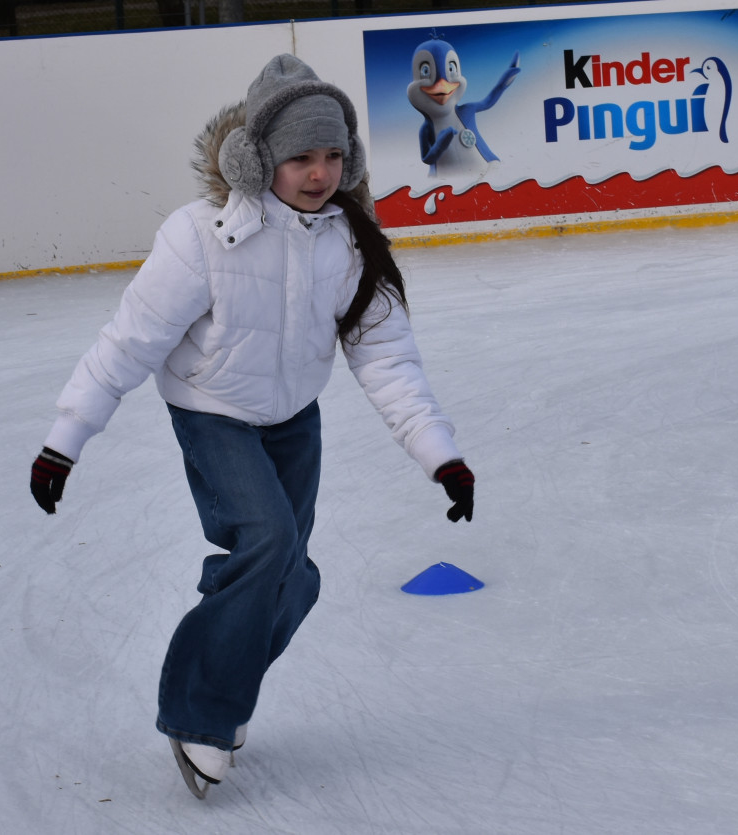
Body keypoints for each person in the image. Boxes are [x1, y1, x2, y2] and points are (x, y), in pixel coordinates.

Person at [30, 54, 476, 799]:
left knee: (294, 578)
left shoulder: (351, 242)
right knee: (265, 541)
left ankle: (224, 685)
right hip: (213, 413)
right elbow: (131, 340)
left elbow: (387, 359)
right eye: (301, 156)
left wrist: (442, 458)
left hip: (293, 420)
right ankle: (200, 713)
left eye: (333, 156)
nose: (319, 173)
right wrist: (64, 440)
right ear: (257, 158)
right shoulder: (198, 236)